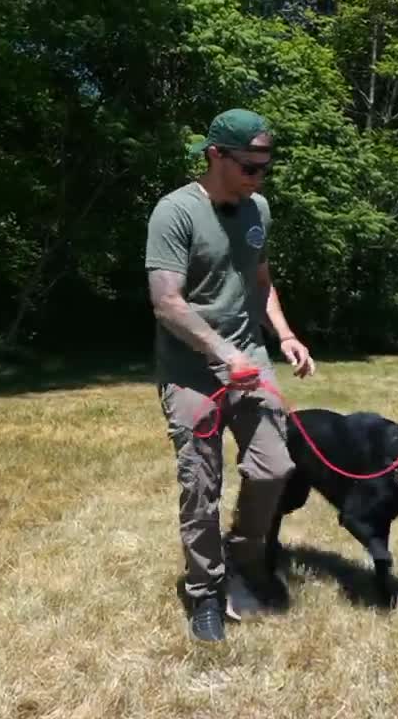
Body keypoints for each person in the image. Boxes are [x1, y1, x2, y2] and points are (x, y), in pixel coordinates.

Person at [145, 108, 316, 642]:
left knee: (273, 468)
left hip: (251, 361)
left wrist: (284, 335)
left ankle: (245, 560)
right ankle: (205, 595)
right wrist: (224, 354)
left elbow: (260, 281)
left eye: (265, 168)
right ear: (215, 155)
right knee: (201, 485)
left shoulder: (256, 207)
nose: (258, 179)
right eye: (249, 167)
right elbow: (167, 304)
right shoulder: (175, 213)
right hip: (191, 371)